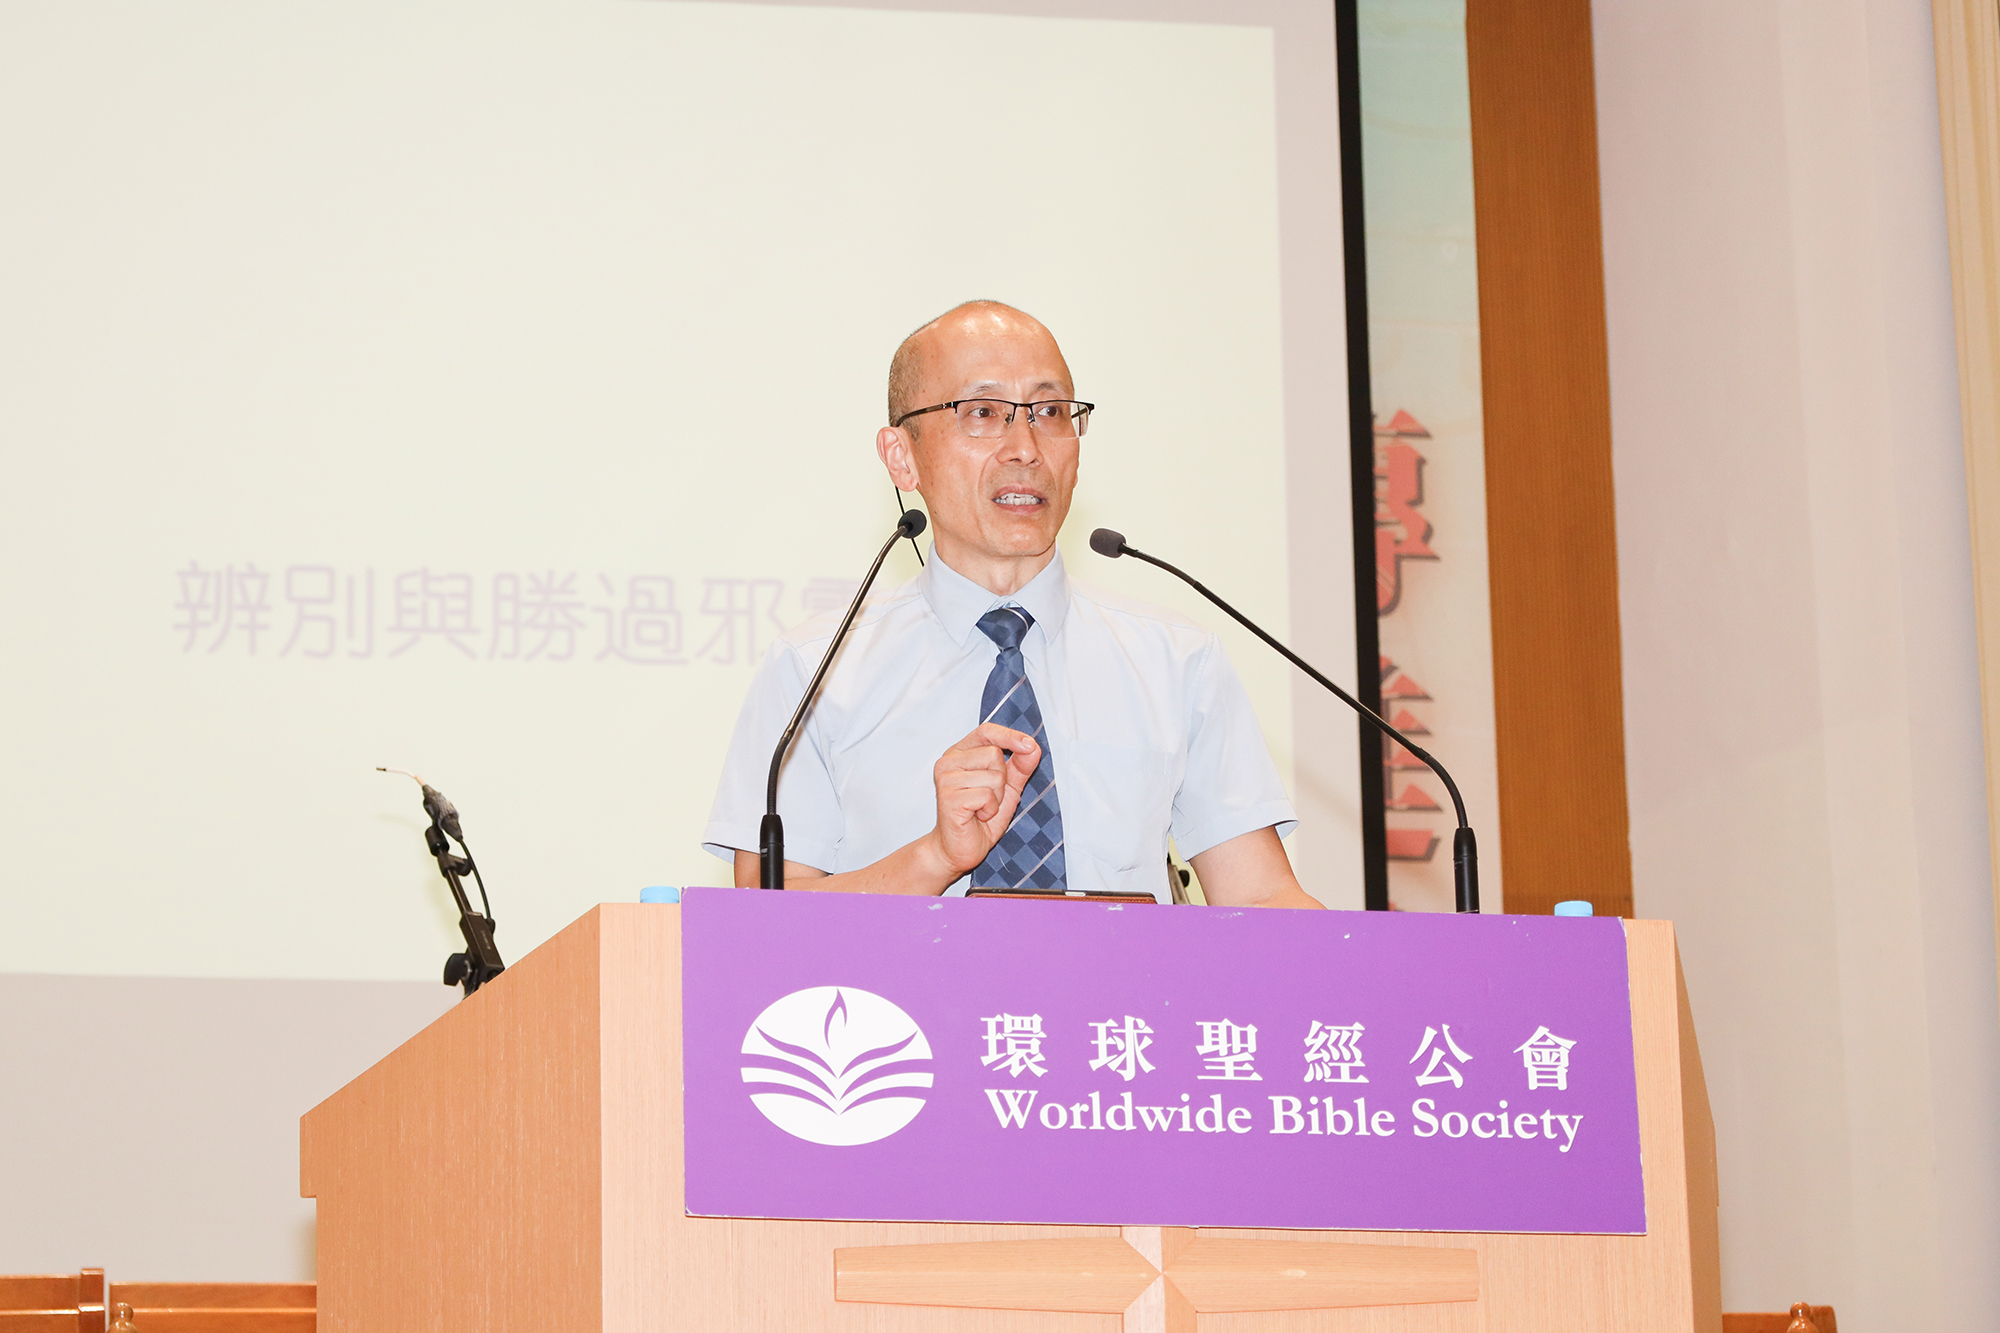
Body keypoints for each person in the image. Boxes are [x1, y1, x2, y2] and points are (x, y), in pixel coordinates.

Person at [702, 301, 1321, 909]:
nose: (1025, 447)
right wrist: (935, 857)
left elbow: (1262, 896)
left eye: (1050, 412)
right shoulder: (814, 671)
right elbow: (763, 924)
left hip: (1119, 984)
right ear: (902, 457)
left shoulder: (1176, 660)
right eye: (982, 412)